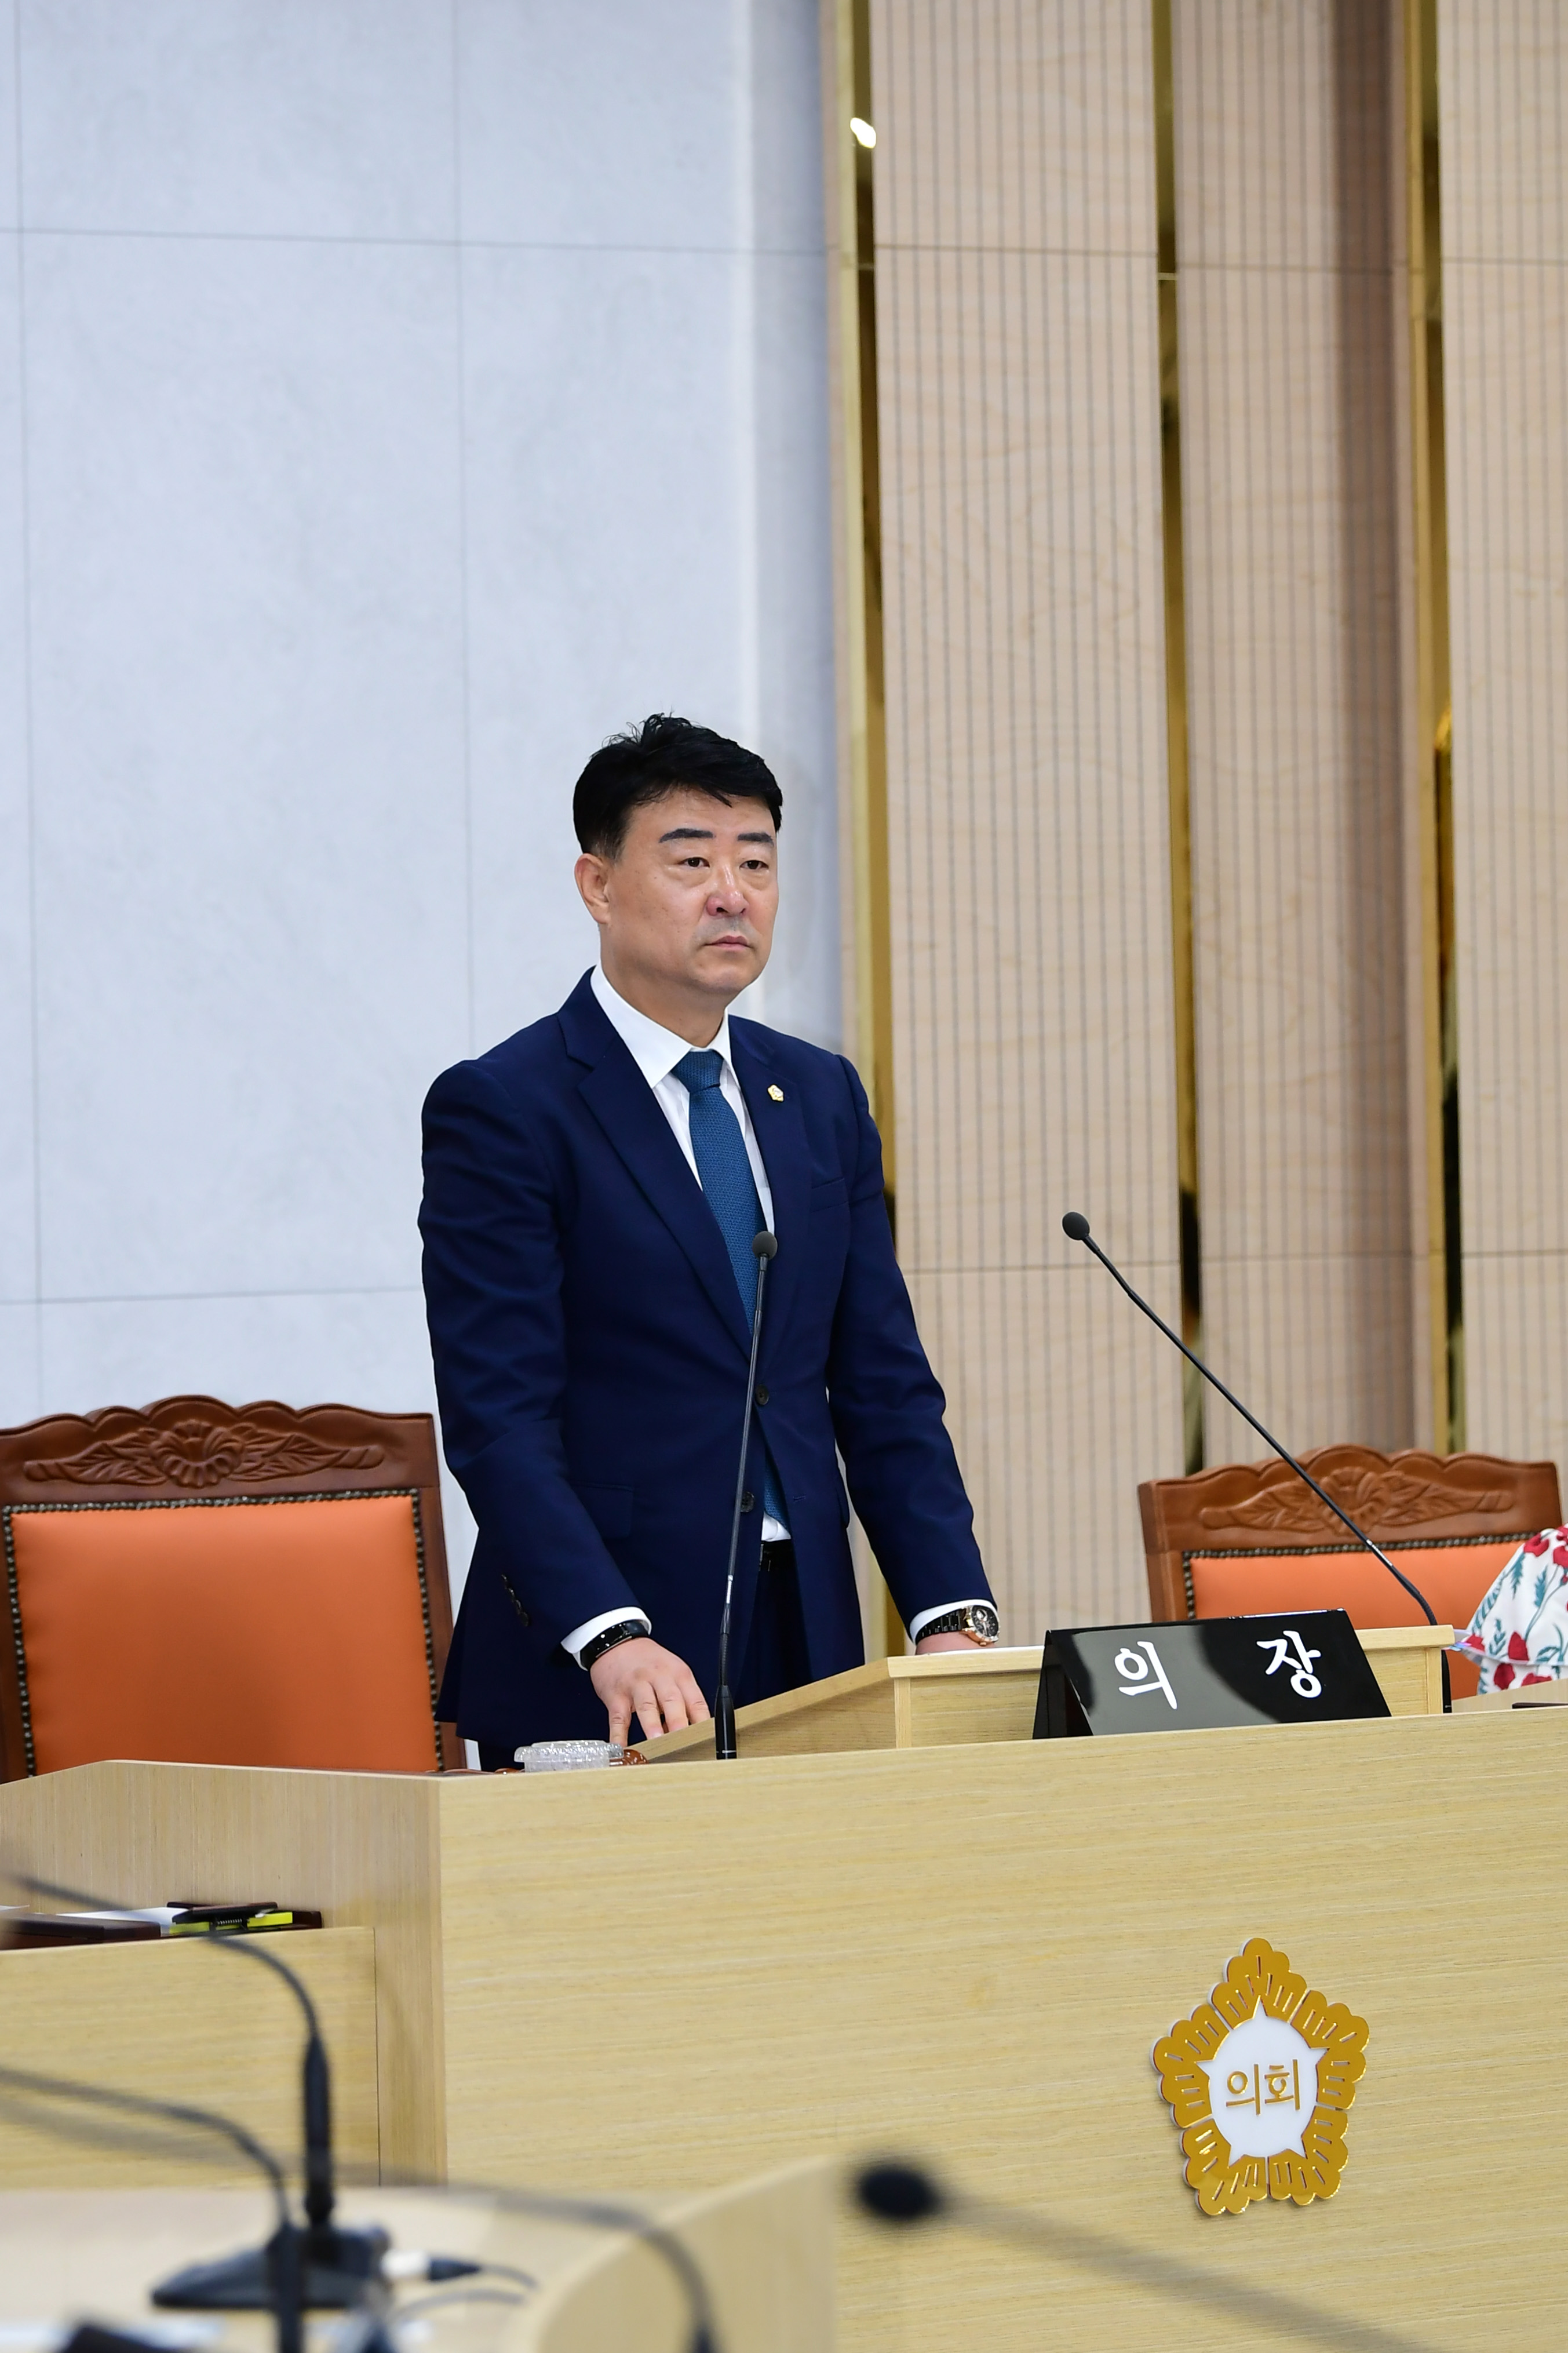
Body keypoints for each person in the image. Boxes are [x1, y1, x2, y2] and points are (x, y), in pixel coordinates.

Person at [420, 714, 997, 1763]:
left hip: (807, 1631)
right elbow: (497, 1415)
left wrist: (949, 1611)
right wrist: (609, 1630)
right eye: (691, 861)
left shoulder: (816, 1094)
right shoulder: (506, 1106)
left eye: (757, 862)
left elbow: (882, 1384)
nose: (731, 893)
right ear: (598, 885)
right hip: (604, 1655)